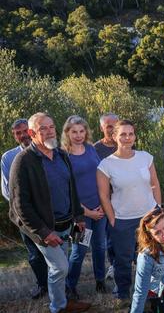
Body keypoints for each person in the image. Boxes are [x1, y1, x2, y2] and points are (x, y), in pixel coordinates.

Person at [8, 112, 91, 313]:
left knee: (62, 267)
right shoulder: (23, 161)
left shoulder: (61, 155)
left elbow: (71, 188)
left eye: (51, 126)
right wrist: (44, 232)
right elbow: (20, 205)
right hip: (45, 229)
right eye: (42, 128)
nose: (48, 131)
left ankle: (63, 300)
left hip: (65, 224)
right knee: (60, 268)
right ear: (31, 133)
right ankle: (58, 308)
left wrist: (79, 216)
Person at [97, 120, 162, 306]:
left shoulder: (145, 157)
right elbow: (103, 195)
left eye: (131, 134)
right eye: (123, 134)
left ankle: (153, 292)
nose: (127, 138)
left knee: (152, 257)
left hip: (149, 217)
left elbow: (155, 184)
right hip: (122, 220)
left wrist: (158, 208)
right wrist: (112, 218)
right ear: (114, 137)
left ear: (135, 136)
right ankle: (122, 293)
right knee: (123, 260)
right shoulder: (106, 164)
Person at [60, 116, 108, 299]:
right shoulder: (63, 155)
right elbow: (65, 190)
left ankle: (100, 280)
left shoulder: (90, 149)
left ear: (86, 132)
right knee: (80, 249)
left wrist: (103, 205)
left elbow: (100, 176)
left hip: (100, 209)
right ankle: (70, 286)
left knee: (100, 246)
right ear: (67, 133)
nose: (79, 135)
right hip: (81, 215)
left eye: (81, 131)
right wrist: (86, 212)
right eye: (74, 132)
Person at [1, 118, 48, 299]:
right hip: (25, 215)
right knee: (34, 254)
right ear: (15, 136)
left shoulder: (46, 151)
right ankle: (42, 285)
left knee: (55, 250)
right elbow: (7, 191)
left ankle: (64, 286)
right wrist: (25, 209)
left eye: (24, 131)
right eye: (17, 133)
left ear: (31, 131)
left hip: (49, 212)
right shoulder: (9, 158)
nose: (22, 135)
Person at [94, 113, 118, 280]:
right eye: (109, 126)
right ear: (102, 128)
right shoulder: (95, 149)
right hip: (107, 200)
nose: (112, 129)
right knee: (110, 236)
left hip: (127, 197)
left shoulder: (126, 144)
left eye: (115, 125)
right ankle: (114, 266)